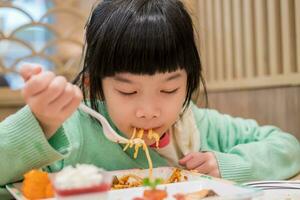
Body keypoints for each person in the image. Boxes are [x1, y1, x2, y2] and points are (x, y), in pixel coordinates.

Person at [0, 0, 299, 198]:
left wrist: (226, 165)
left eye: (169, 90)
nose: (149, 111)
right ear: (96, 85)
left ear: (189, 81)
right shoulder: (72, 128)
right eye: (127, 91)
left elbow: (288, 147)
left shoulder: (195, 124)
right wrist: (41, 124)